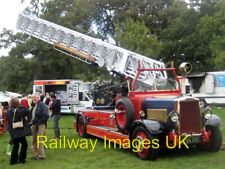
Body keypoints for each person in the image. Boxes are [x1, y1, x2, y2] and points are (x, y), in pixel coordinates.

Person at [6, 97, 30, 165]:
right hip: (18, 130)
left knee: (15, 145)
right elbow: (27, 111)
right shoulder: (19, 111)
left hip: (11, 129)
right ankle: (22, 159)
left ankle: (13, 161)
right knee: (24, 144)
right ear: (17, 103)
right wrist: (21, 105)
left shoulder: (9, 110)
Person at [31, 93, 49, 160]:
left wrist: (39, 122)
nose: (33, 99)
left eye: (34, 98)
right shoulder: (36, 105)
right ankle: (35, 154)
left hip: (40, 124)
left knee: (39, 139)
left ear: (38, 98)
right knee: (34, 139)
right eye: (32, 98)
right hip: (34, 124)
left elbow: (46, 115)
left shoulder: (42, 105)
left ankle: (41, 155)